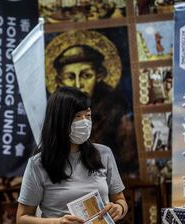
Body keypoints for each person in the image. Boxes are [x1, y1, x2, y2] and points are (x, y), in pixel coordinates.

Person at [16, 86, 128, 224]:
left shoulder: (104, 154)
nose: (85, 122)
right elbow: (22, 218)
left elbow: (120, 200)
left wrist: (119, 208)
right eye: (77, 117)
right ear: (59, 120)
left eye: (88, 116)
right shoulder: (38, 164)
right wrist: (57, 222)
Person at [53, 44, 138, 178]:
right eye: (70, 77)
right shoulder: (56, 116)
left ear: (100, 75)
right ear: (59, 81)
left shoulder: (116, 114)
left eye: (86, 75)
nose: (78, 84)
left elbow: (128, 164)